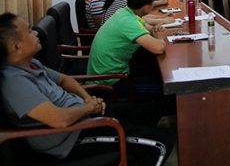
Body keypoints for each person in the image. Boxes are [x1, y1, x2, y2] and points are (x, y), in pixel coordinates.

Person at [0, 12, 174, 165]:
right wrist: (88, 108)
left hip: (82, 115)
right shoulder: (15, 82)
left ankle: (138, 144)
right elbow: (59, 120)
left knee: (148, 112)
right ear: (16, 47)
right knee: (162, 143)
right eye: (29, 31)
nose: (36, 33)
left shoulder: (30, 64)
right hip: (71, 138)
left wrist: (87, 99)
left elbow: (65, 80)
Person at [87, 0, 167, 94]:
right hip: (111, 81)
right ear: (146, 7)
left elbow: (149, 29)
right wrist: (160, 38)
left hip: (111, 71)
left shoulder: (124, 13)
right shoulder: (129, 22)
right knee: (167, 89)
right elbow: (159, 48)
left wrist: (156, 31)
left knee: (155, 70)